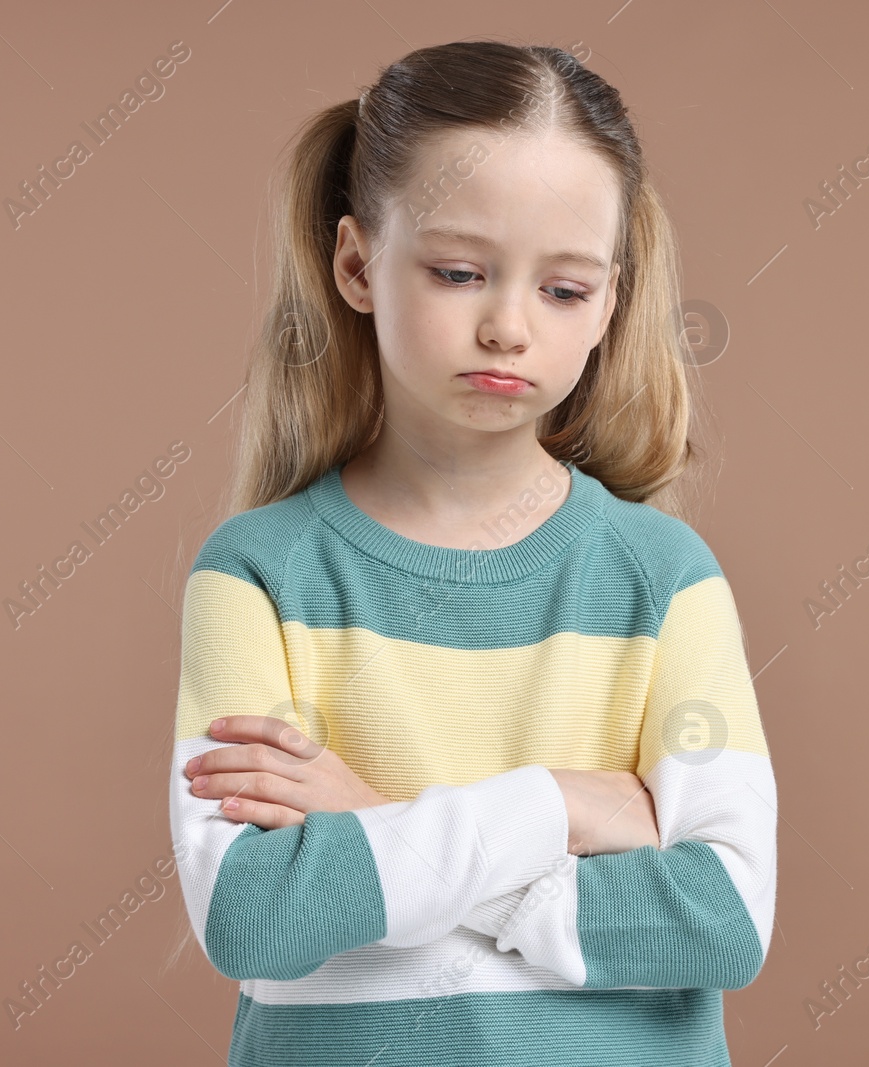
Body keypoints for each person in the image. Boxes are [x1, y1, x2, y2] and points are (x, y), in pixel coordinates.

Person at [166, 39, 777, 1066]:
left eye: (565, 290)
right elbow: (258, 918)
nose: (506, 326)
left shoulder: (665, 579)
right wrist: (562, 804)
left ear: (611, 302)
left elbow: (718, 921)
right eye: (458, 271)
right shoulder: (256, 575)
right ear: (357, 264)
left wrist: (376, 827)